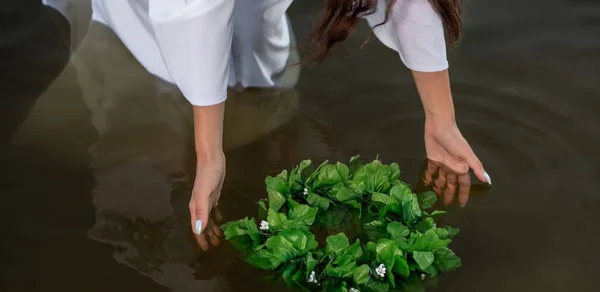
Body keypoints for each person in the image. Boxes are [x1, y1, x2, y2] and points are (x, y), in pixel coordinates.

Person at [83, 0, 492, 249]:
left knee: (263, 75)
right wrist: (209, 154)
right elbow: (194, 11)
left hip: (255, 24)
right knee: (156, 107)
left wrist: (441, 117)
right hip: (160, 14)